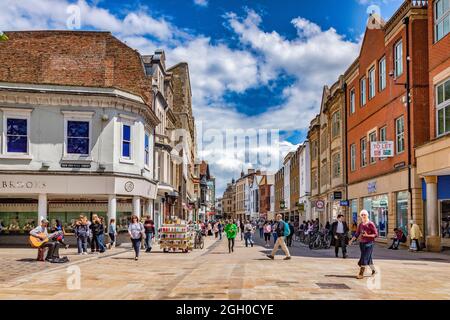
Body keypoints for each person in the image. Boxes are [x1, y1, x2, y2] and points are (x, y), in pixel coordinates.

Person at [349, 210, 378, 279]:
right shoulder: (361, 224)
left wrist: (368, 235)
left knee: (364, 257)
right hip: (362, 243)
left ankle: (361, 274)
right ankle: (374, 270)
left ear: (367, 215)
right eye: (362, 215)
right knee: (368, 258)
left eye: (364, 214)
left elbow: (376, 234)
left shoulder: (371, 224)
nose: (363, 216)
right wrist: (351, 240)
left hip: (369, 243)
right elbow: (357, 234)